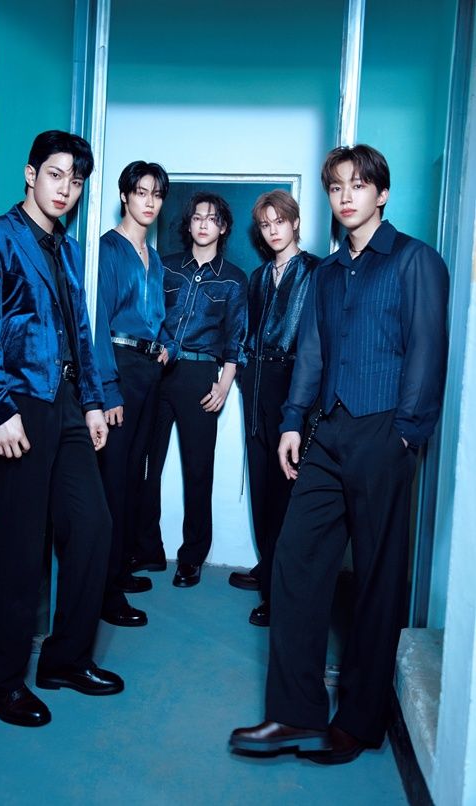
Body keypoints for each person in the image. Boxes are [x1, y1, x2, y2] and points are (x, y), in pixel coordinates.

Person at [230, 144, 449, 763]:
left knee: (377, 579)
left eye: (358, 184)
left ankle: (358, 720)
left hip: (385, 432)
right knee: (294, 562)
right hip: (327, 433)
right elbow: (314, 354)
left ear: (382, 193)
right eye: (336, 187)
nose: (346, 196)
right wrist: (292, 422)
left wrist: (406, 434)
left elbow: (427, 350)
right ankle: (293, 714)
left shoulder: (415, 261)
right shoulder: (325, 273)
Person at [0, 130, 124, 728]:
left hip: (68, 404)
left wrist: (92, 402)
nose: (66, 189)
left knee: (93, 527)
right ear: (31, 175)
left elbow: (79, 332)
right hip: (19, 405)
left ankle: (65, 660)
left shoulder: (69, 249)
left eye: (76, 181)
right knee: (20, 543)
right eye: (56, 175)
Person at [132, 192, 248, 588]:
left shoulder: (233, 279)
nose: (202, 224)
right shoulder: (164, 266)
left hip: (200, 377)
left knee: (199, 470)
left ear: (223, 227)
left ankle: (192, 557)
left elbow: (236, 338)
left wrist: (224, 385)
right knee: (145, 464)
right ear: (189, 224)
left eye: (211, 218)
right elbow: (149, 316)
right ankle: (147, 549)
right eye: (197, 217)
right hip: (158, 371)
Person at [228, 191, 318, 626]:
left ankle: (280, 590)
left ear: (295, 222)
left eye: (280, 221)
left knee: (286, 492)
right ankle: (269, 568)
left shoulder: (316, 271)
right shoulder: (259, 276)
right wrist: (243, 377)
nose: (273, 230)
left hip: (294, 386)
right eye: (265, 225)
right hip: (257, 386)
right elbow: (246, 332)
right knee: (262, 487)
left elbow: (319, 343)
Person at [95, 160, 170, 627]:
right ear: (125, 195)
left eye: (157, 195)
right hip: (118, 370)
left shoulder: (154, 258)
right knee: (112, 483)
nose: (149, 202)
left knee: (133, 479)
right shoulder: (107, 249)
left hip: (148, 371)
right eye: (141, 192)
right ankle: (104, 591)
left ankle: (120, 569)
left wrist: (165, 344)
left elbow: (157, 314)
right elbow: (97, 322)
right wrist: (107, 390)